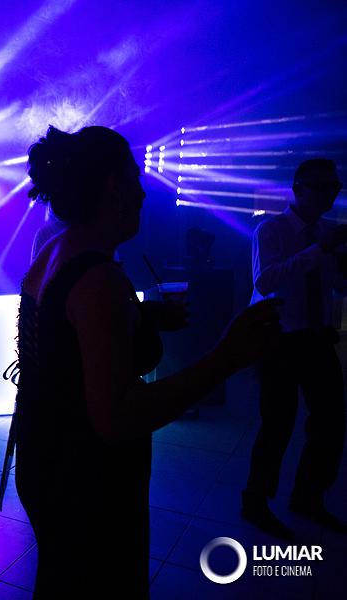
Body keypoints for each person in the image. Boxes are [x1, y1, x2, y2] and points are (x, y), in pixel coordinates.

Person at [17, 125, 284, 598]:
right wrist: (225, 356)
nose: (143, 194)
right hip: (88, 477)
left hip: (45, 457)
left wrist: (140, 316)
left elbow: (63, 341)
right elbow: (116, 417)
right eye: (137, 179)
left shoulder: (56, 249)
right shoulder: (99, 277)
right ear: (114, 186)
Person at [241, 158, 347, 540]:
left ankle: (307, 496)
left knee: (331, 420)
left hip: (316, 335)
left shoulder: (328, 232)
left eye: (334, 187)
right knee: (278, 423)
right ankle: (255, 502)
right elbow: (266, 280)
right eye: (321, 187)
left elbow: (336, 288)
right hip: (279, 338)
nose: (330, 193)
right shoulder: (270, 230)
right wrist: (321, 249)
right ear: (297, 189)